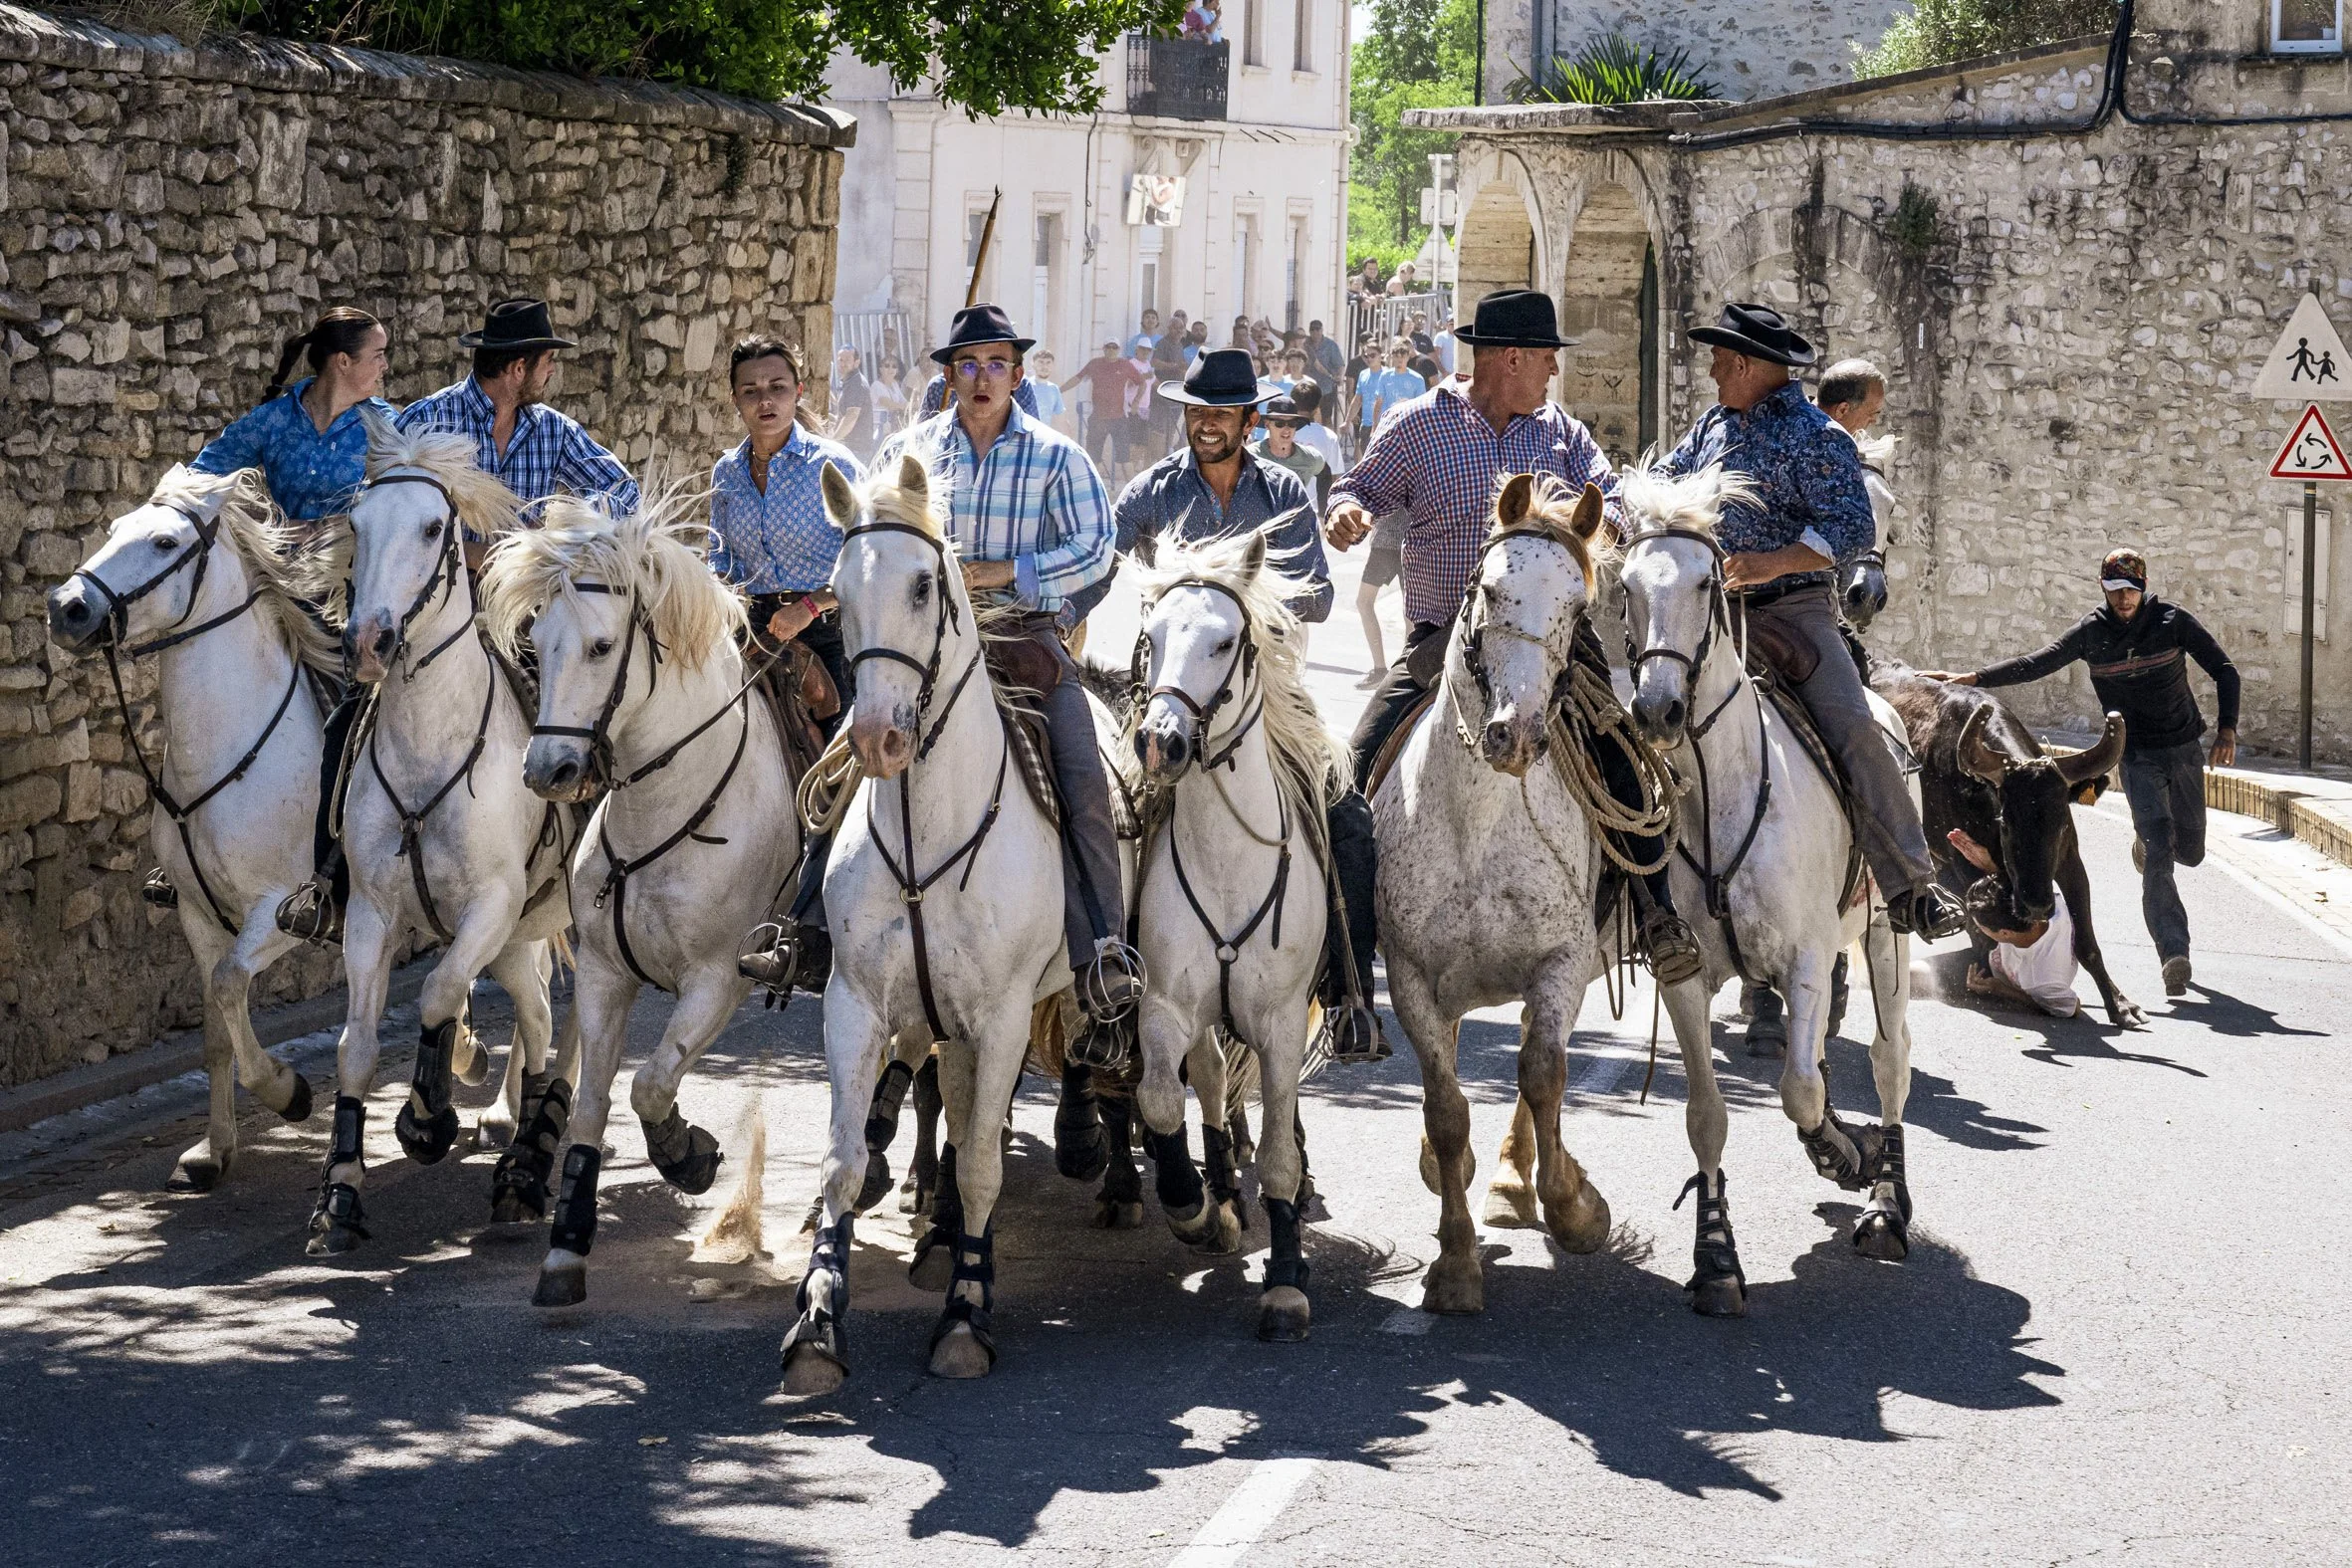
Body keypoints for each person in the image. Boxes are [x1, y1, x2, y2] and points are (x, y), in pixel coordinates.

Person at [742, 305, 1137, 1040]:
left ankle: (1102, 951)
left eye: (995, 364)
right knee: (839, 769)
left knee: (1085, 776)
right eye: (966, 365)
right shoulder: (907, 451)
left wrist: (1010, 571)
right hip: (918, 654)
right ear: (949, 376)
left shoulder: (1057, 457)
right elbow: (868, 549)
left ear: (1018, 376)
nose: (981, 378)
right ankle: (803, 926)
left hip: (1025, 645)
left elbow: (1096, 549)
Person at [1326, 288, 1701, 983]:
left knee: (1626, 763)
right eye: (1547, 359)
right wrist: (1346, 513)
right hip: (1441, 646)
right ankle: (1342, 968)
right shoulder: (1418, 425)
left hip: (1557, 650)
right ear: (1511, 358)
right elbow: (1357, 488)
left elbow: (1610, 494)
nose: (1554, 373)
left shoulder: (1562, 433)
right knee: (1347, 784)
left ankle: (1656, 913)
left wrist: (1601, 526)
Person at [1101, 349, 1382, 1060]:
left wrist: (1250, 596)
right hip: (1167, 695)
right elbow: (1099, 555)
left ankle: (1349, 992)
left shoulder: (1285, 490)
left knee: (1345, 810)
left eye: (1220, 415)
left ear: (1250, 421)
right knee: (1112, 814)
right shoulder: (1153, 491)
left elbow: (1318, 590)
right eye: (1196, 413)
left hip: (1268, 696)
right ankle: (1110, 988)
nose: (1205, 426)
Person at [1653, 303, 1959, 941]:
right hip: (1712, 611)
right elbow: (1664, 481)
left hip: (1792, 615)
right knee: (1642, 713)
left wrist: (1772, 563)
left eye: (1717, 359)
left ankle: (1909, 883)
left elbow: (1851, 527)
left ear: (1744, 363)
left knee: (1852, 726)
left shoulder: (1817, 437)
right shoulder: (1712, 425)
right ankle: (1642, 895)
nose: (1710, 370)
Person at [1920, 548, 2240, 997]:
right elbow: (2038, 662)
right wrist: (1974, 678)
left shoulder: (2172, 621)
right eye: (2114, 591)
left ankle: (2146, 850)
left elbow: (2225, 670)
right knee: (2161, 846)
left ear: (2143, 588)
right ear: (2103, 590)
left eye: (2130, 590)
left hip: (2183, 748)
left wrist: (2227, 730)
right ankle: (2173, 951)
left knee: (2190, 850)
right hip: (2136, 756)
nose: (2123, 599)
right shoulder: (2093, 632)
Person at [185, 306, 393, 929]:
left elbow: (402, 510)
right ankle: (184, 849)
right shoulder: (273, 421)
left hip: (348, 604)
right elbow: (201, 478)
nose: (387, 366)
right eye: (378, 355)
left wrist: (333, 534)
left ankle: (337, 874)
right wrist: (265, 527)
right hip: (272, 595)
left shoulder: (385, 430)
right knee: (205, 691)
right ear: (343, 362)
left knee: (357, 721)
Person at [707, 336, 861, 708]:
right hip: (753, 634)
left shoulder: (833, 465)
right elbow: (720, 557)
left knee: (841, 751)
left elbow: (868, 562)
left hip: (831, 631)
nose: (765, 401)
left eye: (778, 388)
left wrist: (808, 607)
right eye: (751, 391)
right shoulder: (727, 472)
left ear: (798, 392)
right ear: (735, 400)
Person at [395, 297, 640, 527]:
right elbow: (386, 512)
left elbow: (626, 492)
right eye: (549, 360)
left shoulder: (554, 430)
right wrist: (464, 551)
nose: (553, 371)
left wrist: (561, 523)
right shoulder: (426, 421)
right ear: (519, 369)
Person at [1949, 828, 2081, 1017]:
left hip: (1991, 974)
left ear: (2004, 934)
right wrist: (1988, 865)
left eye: (1981, 926)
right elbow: (2010, 896)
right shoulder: (2039, 899)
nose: (1977, 925)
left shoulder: (2044, 980)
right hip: (1998, 956)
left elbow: (2072, 1008)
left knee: (1915, 976)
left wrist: (2001, 990)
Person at [1068, 339, 1150, 474]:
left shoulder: (1125, 365)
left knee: (1125, 459)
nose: (1111, 350)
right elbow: (1077, 378)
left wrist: (1136, 402)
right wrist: (1057, 390)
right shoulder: (1094, 363)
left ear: (1119, 349)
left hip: (1119, 418)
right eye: (1108, 347)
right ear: (1103, 348)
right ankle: (1095, 492)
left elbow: (1142, 383)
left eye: (1114, 347)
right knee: (1093, 459)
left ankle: (1133, 490)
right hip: (1098, 418)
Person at [1254, 393, 1331, 515]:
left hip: (1295, 524)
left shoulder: (1310, 457)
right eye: (1279, 423)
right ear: (1267, 424)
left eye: (1292, 424)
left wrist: (1323, 514)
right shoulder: (1251, 456)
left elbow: (1325, 474)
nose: (1286, 429)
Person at [1357, 338, 1424, 436]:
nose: (1400, 359)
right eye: (1396, 356)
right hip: (1387, 425)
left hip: (1408, 425)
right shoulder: (1385, 376)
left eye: (1403, 356)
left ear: (1408, 357)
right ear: (1392, 357)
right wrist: (1374, 427)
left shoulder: (1417, 379)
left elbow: (1420, 407)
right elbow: (1378, 402)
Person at [830, 345, 874, 459]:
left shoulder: (856, 383)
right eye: (841, 360)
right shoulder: (848, 381)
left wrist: (833, 442)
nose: (843, 364)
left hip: (856, 450)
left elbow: (851, 416)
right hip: (851, 448)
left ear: (856, 362)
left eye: (848, 360)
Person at [870, 353, 912, 447]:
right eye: (887, 366)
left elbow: (904, 401)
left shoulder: (895, 384)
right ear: (880, 369)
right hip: (879, 430)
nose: (890, 369)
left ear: (897, 370)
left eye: (894, 366)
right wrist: (906, 406)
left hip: (893, 427)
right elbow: (889, 404)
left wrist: (910, 405)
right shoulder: (876, 385)